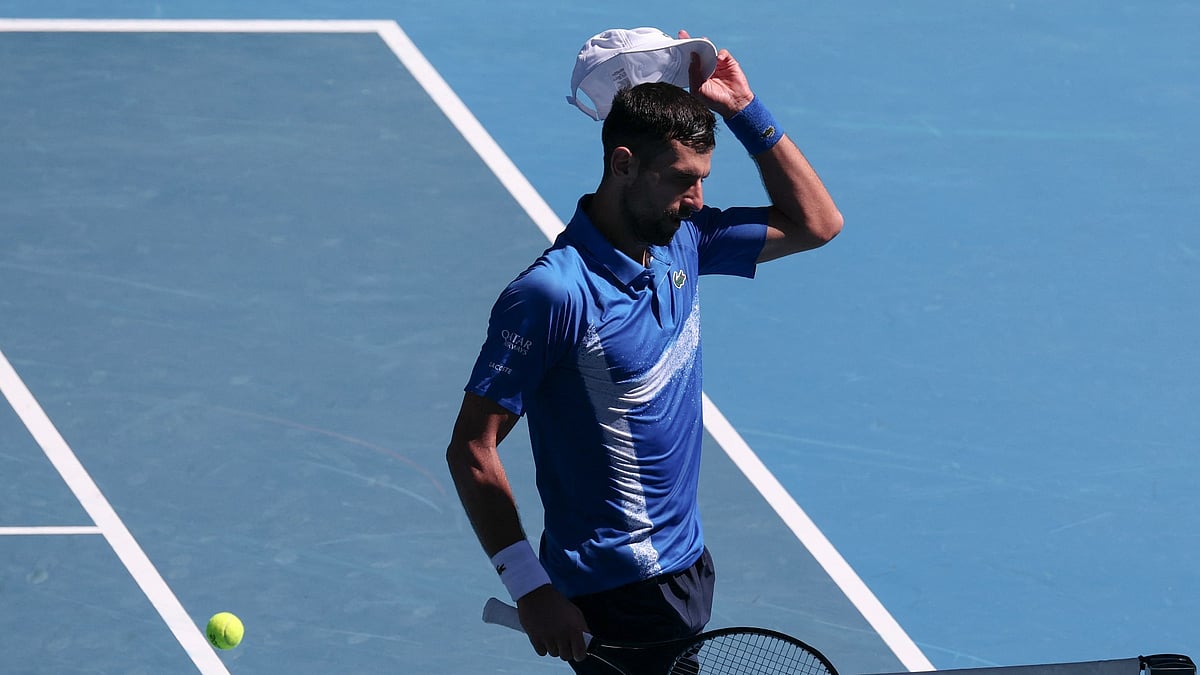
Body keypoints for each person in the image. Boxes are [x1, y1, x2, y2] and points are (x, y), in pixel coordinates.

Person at [446, 30, 843, 673]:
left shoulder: (682, 238)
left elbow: (817, 223)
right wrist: (530, 586)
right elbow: (472, 445)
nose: (698, 201)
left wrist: (745, 112)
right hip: (614, 589)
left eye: (704, 181)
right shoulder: (553, 294)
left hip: (686, 564)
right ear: (624, 163)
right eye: (681, 180)